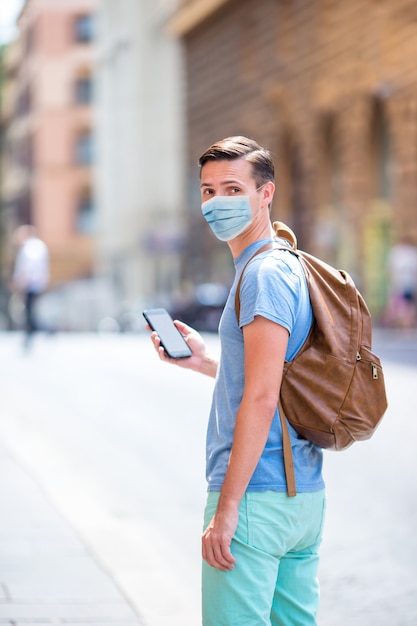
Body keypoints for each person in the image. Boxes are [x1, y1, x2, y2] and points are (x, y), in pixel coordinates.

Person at [148, 136, 325, 625]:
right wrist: (203, 363)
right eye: (207, 191)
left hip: (254, 500)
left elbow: (263, 397)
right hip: (301, 500)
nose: (217, 202)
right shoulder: (288, 263)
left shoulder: (263, 274)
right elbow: (274, 378)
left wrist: (226, 510)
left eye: (232, 188)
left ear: (265, 194)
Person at [11, 224, 49, 345]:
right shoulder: (36, 246)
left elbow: (28, 266)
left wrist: (22, 280)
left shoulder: (31, 247)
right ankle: (33, 332)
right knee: (31, 309)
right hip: (36, 282)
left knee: (29, 309)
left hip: (31, 283)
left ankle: (34, 332)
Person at [385, 236, 417, 328]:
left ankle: (406, 324)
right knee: (402, 306)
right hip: (400, 284)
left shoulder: (411, 253)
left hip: (407, 284)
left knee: (407, 306)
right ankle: (402, 323)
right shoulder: (397, 252)